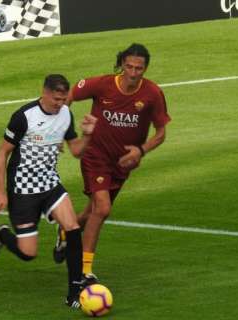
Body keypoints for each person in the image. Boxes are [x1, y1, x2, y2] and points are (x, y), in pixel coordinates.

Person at [53, 43, 171, 284]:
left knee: (91, 212)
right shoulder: (103, 84)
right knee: (103, 208)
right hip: (95, 156)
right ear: (122, 65)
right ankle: (84, 272)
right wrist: (59, 131)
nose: (133, 72)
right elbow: (71, 96)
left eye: (139, 68)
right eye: (129, 66)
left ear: (145, 69)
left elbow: (161, 133)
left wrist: (141, 150)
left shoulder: (152, 94)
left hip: (123, 164)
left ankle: (66, 230)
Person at [0, 74, 97, 308]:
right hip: (23, 190)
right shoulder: (23, 117)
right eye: (56, 98)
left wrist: (87, 135)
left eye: (63, 98)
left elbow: (76, 150)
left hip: (49, 183)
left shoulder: (66, 113)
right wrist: (0, 192)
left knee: (73, 228)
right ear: (44, 93)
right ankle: (4, 235)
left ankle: (74, 293)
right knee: (28, 253)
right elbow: (2, 153)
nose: (60, 103)